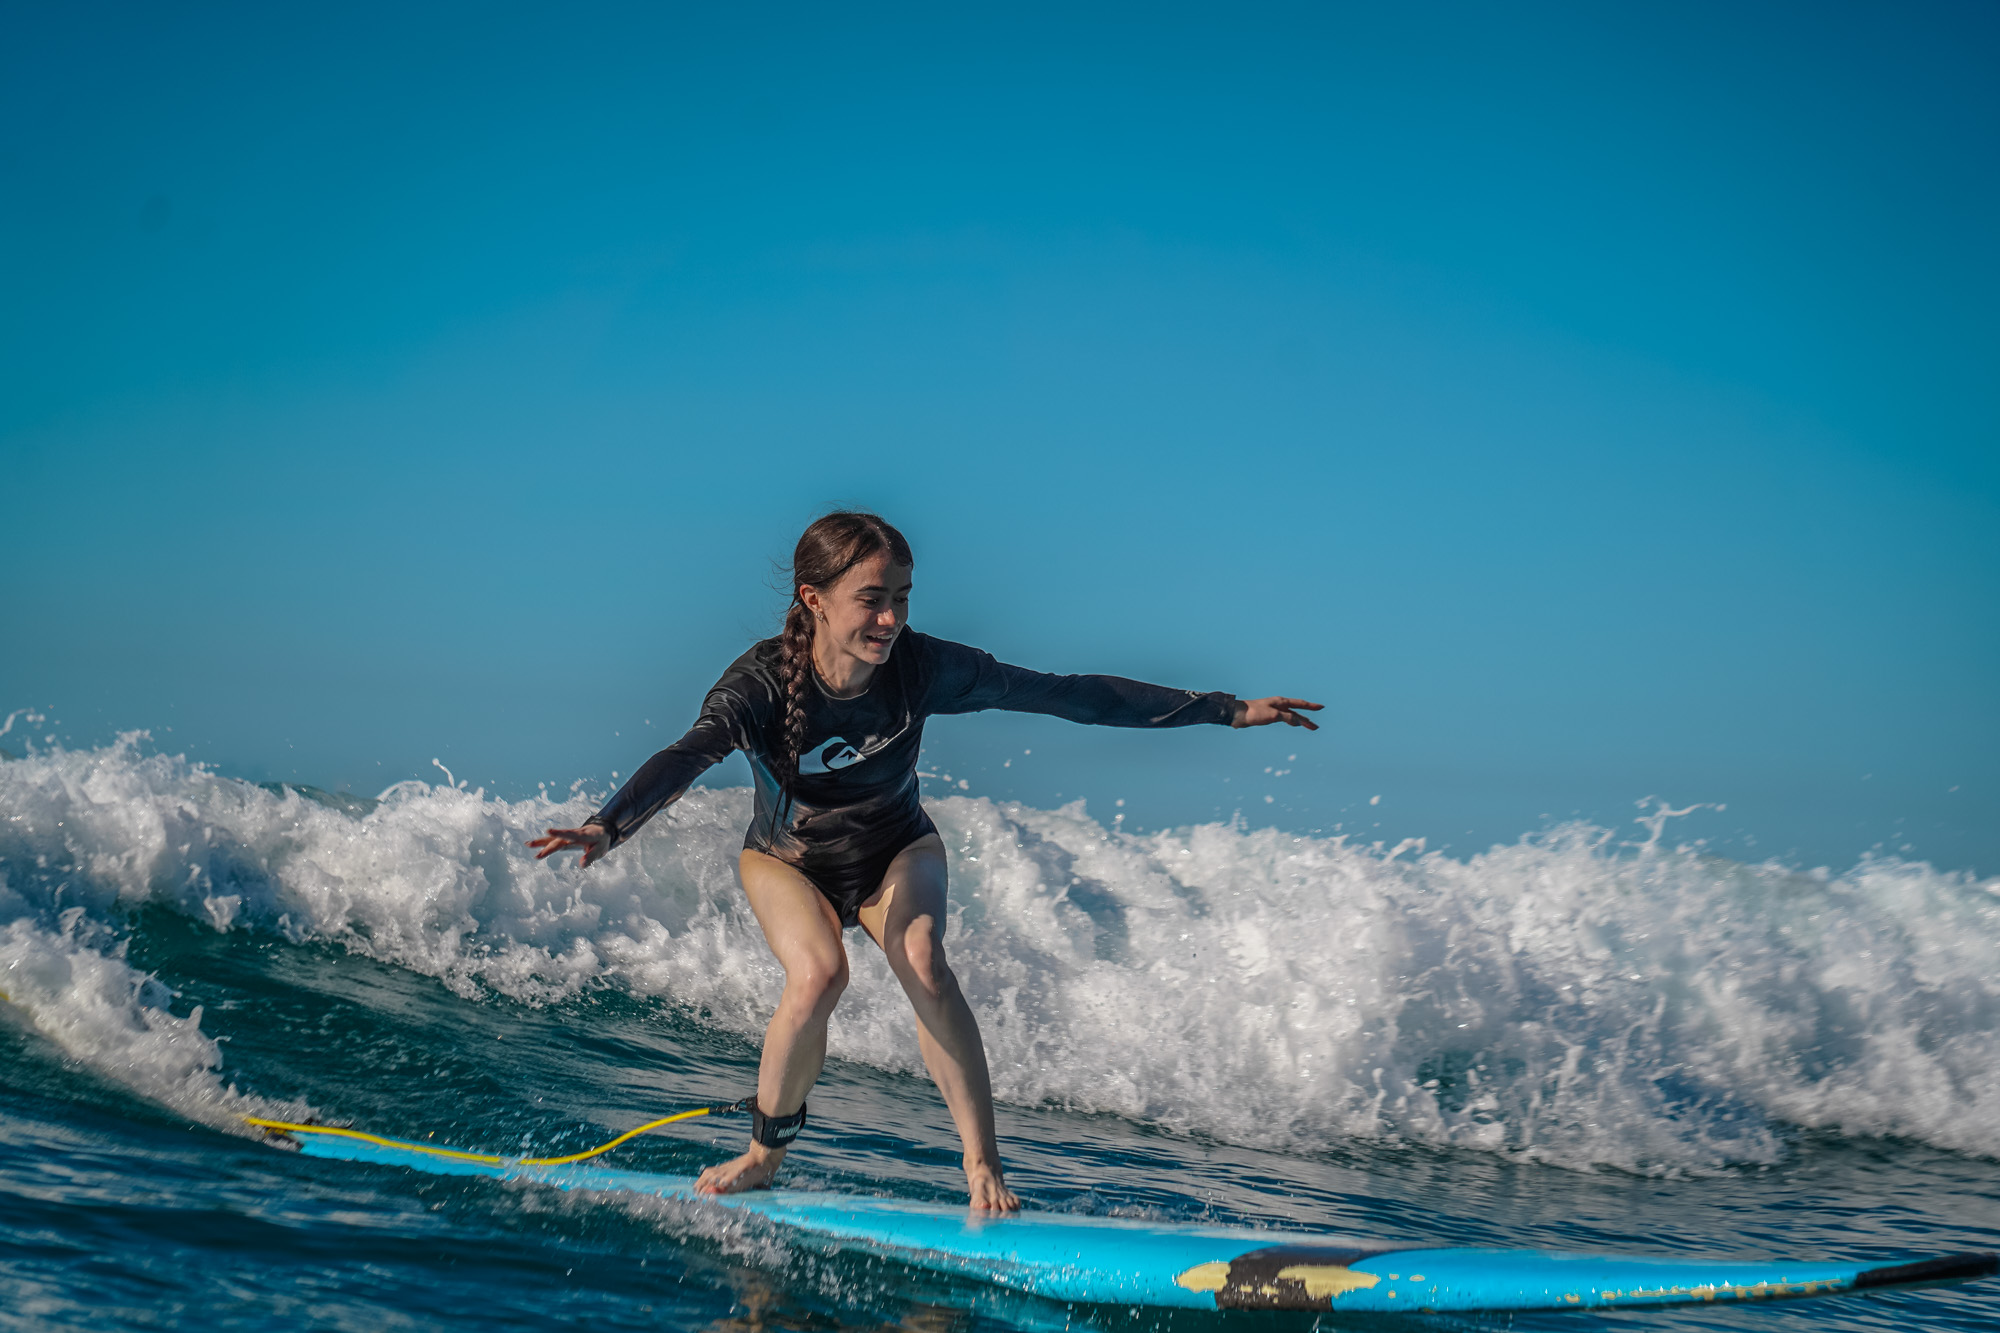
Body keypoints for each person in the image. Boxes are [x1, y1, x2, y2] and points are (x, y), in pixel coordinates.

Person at [529, 512, 1320, 1211]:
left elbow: (1068, 693)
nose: (891, 615)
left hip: (896, 844)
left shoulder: (923, 666)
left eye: (903, 595)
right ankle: (763, 1156)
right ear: (814, 598)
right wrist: (609, 826)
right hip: (788, 858)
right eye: (873, 597)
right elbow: (691, 752)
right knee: (818, 977)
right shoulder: (761, 682)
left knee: (924, 961)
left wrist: (1224, 710)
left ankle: (981, 1164)